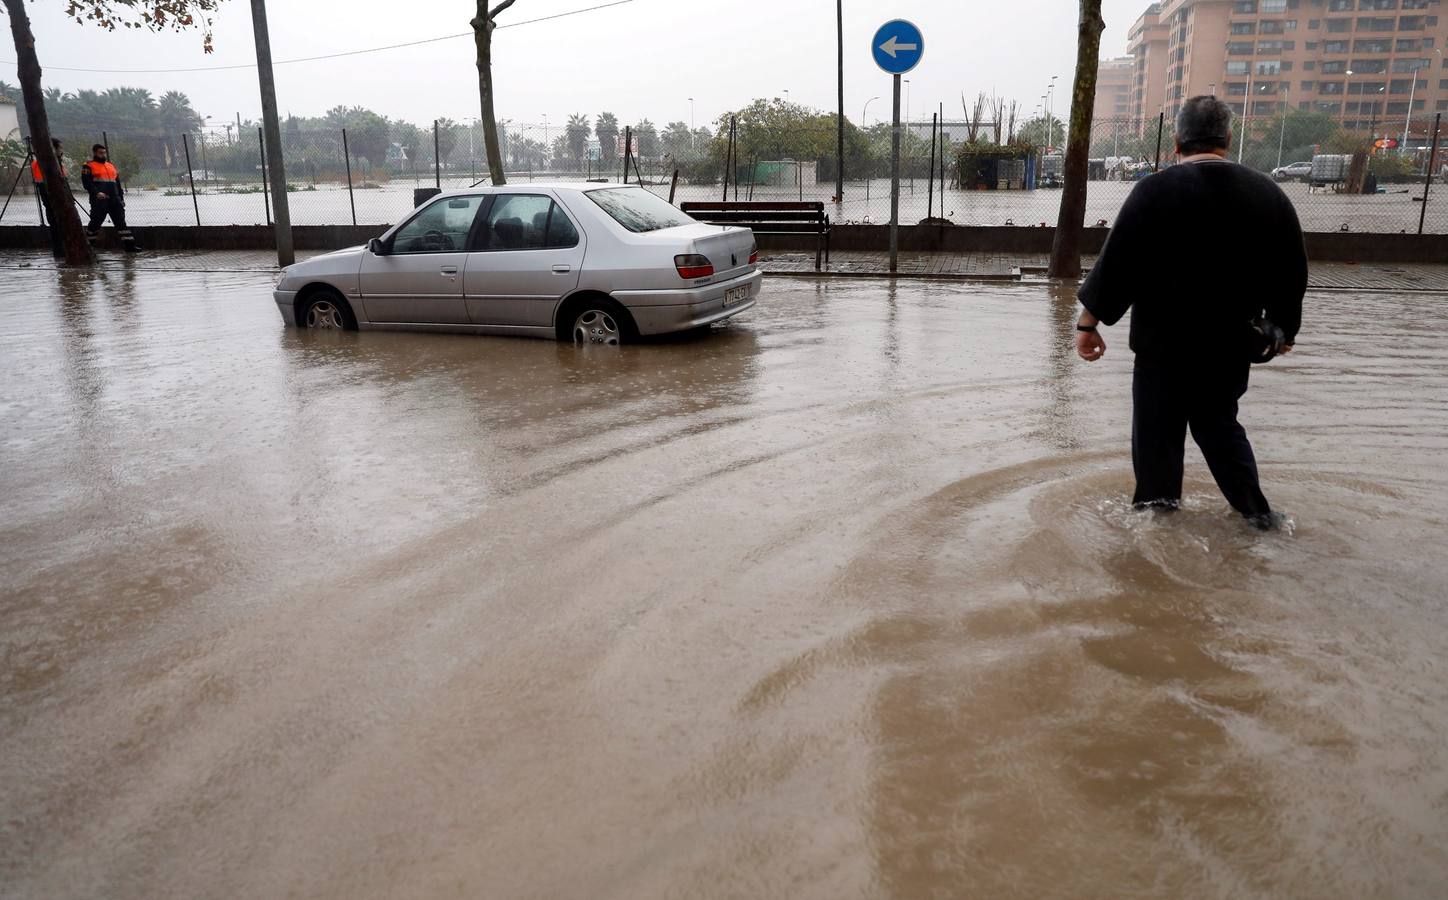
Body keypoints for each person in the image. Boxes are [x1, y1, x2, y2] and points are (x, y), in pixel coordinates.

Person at [1073, 95, 1306, 529]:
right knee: (1220, 429)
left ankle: (1155, 528)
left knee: (1156, 438)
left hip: (1162, 346)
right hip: (1230, 344)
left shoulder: (1154, 190)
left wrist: (1089, 323)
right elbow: (1292, 270)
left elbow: (1118, 263)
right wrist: (1283, 328)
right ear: (1228, 139)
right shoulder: (1267, 194)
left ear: (1177, 140)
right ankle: (1259, 517)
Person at [80, 143, 140, 252]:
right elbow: (87, 183)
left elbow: (117, 184)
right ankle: (87, 247)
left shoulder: (110, 166)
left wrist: (121, 198)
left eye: (104, 153)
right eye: (100, 153)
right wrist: (96, 193)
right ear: (94, 153)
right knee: (95, 224)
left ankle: (130, 246)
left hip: (115, 200)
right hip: (99, 201)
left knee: (121, 223)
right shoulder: (88, 166)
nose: (103, 155)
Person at [30, 138, 68, 258]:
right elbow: (51, 185)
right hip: (53, 203)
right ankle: (60, 253)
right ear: (53, 149)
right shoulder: (45, 164)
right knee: (57, 229)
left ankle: (61, 252)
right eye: (60, 148)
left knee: (58, 228)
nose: (62, 151)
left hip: (56, 202)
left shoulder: (54, 162)